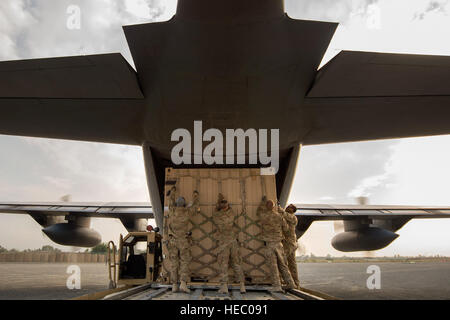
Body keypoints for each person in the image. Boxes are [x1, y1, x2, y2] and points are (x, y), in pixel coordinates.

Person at [257, 196, 296, 292]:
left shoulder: (264, 215)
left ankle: (277, 286)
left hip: (270, 244)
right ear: (274, 207)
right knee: (283, 264)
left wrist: (262, 203)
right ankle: (290, 283)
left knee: (273, 265)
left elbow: (258, 212)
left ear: (267, 207)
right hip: (279, 243)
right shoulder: (279, 216)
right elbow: (286, 228)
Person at [167, 188, 200, 293]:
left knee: (174, 263)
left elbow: (170, 201)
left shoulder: (172, 211)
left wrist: (172, 192)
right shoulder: (187, 212)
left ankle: (174, 285)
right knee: (184, 262)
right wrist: (195, 196)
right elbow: (195, 207)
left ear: (176, 204)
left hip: (173, 241)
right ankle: (183, 283)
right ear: (184, 205)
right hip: (183, 241)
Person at [212, 193, 246, 294]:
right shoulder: (231, 214)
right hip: (233, 242)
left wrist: (218, 202)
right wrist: (224, 202)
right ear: (227, 206)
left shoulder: (217, 215)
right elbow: (228, 208)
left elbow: (215, 212)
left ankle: (224, 286)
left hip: (223, 243)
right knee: (237, 263)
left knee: (223, 264)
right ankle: (242, 285)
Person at [279, 204, 300, 289]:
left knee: (282, 261)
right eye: (288, 206)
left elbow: (283, 213)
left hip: (289, 243)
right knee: (292, 264)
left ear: (293, 210)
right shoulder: (287, 217)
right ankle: (296, 283)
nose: (288, 207)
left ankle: (288, 282)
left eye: (290, 207)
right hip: (290, 243)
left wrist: (278, 206)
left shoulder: (293, 217)